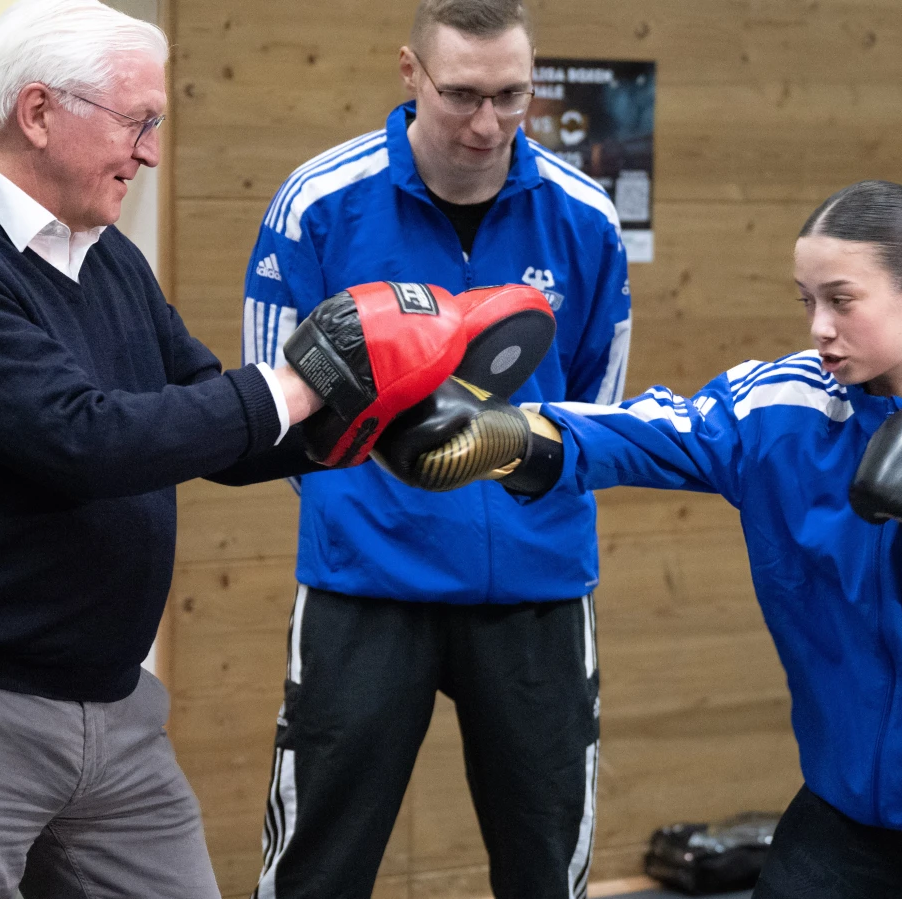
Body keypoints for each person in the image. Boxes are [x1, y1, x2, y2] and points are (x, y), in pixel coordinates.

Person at [0, 1, 481, 896]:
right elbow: (77, 437)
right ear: (39, 112)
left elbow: (216, 420)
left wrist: (372, 419)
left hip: (110, 705)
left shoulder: (102, 250)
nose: (153, 151)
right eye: (139, 122)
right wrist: (304, 377)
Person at [380, 179, 902, 899]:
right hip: (850, 805)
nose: (819, 326)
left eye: (842, 300)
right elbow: (648, 433)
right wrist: (512, 436)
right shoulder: (780, 407)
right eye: (808, 300)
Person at [238, 1, 632, 896]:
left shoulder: (584, 217)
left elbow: (592, 408)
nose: (487, 124)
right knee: (316, 870)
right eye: (461, 94)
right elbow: (271, 403)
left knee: (545, 872)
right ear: (409, 73)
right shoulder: (318, 204)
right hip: (365, 584)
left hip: (537, 588)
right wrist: (377, 501)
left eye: (511, 95)